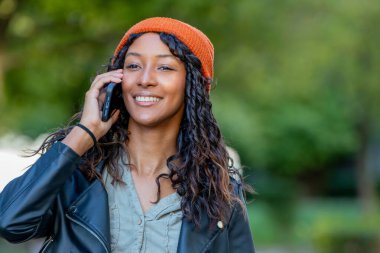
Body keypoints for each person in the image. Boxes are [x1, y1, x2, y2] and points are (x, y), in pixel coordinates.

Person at [0, 17, 255, 253]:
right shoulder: (79, 170)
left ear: (195, 85)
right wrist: (84, 133)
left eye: (164, 67)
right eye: (133, 65)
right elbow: (10, 223)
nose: (145, 79)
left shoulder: (218, 192)